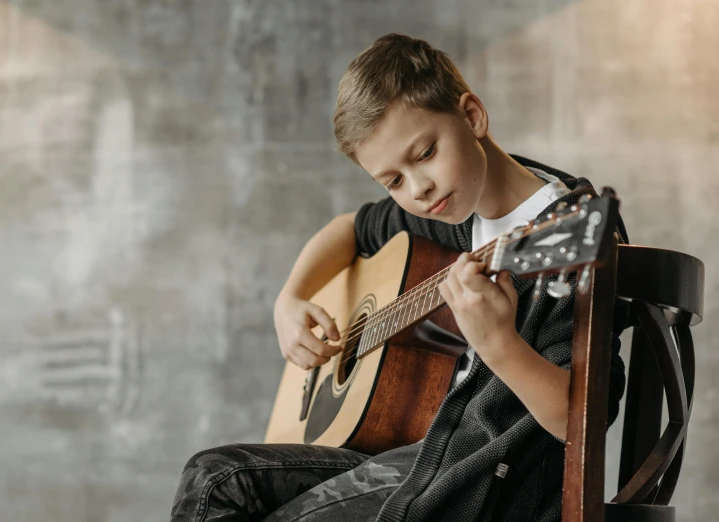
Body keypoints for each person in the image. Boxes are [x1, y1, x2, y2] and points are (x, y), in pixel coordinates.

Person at [170, 33, 629, 522]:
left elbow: (583, 421)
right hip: (422, 456)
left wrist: (498, 343)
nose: (417, 188)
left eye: (425, 153)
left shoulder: (566, 229)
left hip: (482, 487)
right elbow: (348, 229)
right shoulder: (454, 211)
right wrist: (290, 299)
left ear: (472, 116)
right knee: (214, 478)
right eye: (392, 181)